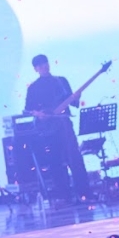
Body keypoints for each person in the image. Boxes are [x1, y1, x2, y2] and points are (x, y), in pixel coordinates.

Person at [24, 54, 89, 199]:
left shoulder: (61, 81)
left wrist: (77, 97)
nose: (44, 66)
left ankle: (84, 192)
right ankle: (64, 195)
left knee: (75, 158)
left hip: (65, 124)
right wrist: (39, 114)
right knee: (55, 160)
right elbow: (28, 109)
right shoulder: (33, 88)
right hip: (48, 128)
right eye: (40, 65)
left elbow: (72, 102)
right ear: (36, 69)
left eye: (45, 63)